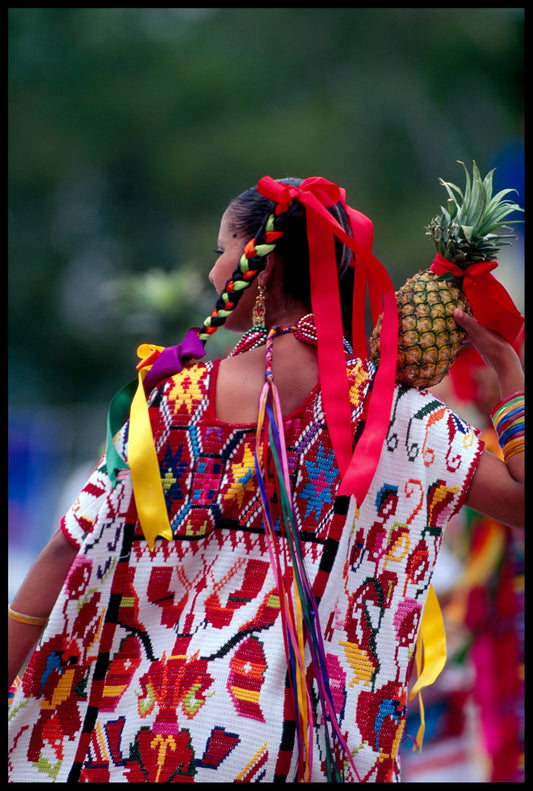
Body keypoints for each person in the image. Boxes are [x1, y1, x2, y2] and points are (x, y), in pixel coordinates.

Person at [8, 176, 524, 783]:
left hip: (151, 737)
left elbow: (71, 543)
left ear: (264, 266)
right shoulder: (396, 416)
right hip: (294, 749)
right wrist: (510, 373)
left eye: (221, 250)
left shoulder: (171, 402)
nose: (211, 272)